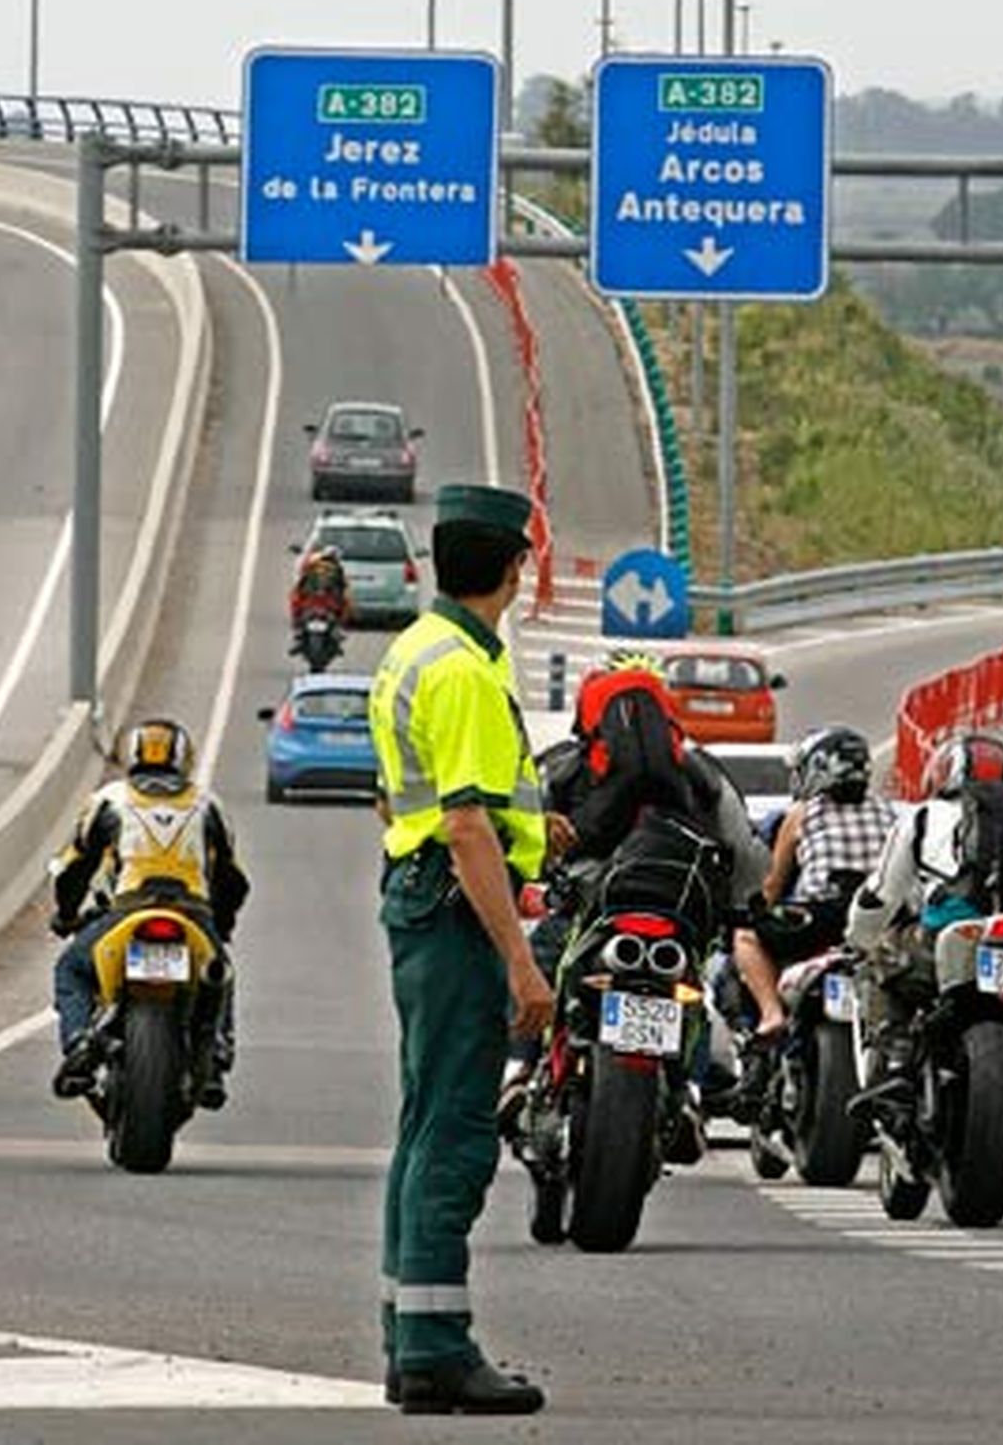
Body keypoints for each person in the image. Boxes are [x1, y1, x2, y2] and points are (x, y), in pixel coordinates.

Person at [370, 482, 567, 1418]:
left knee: (421, 1126)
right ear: (512, 569)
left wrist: (536, 828)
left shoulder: (415, 651)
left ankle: (408, 1334)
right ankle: (438, 1353)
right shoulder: (465, 672)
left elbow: (412, 801)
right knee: (454, 1133)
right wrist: (523, 962)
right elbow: (463, 825)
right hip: (454, 911)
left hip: (418, 898)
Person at [498, 649, 769, 1145]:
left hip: (586, 904)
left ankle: (518, 1070)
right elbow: (746, 851)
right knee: (690, 986)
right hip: (678, 908)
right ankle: (687, 1091)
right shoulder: (702, 772)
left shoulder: (563, 765)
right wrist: (743, 907)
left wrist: (526, 888)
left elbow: (522, 834)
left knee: (542, 962)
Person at [848, 731, 1003, 1138]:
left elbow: (881, 896)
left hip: (949, 938)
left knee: (879, 962)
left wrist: (860, 937)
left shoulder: (922, 818)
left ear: (945, 773)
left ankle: (894, 1061)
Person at [48, 716, 249, 1107]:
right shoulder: (208, 803)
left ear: (132, 756)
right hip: (193, 915)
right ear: (183, 759)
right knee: (221, 975)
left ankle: (78, 1042)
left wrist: (66, 914)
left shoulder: (109, 800)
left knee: (71, 969)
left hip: (126, 911)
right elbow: (232, 879)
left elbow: (75, 867)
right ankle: (218, 1052)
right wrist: (221, 926)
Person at [732, 725, 900, 1046]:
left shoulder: (801, 813)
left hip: (821, 918)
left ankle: (771, 1015)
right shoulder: (888, 811)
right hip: (880, 920)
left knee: (746, 936)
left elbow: (771, 886)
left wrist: (752, 910)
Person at [288, 544, 349, 660]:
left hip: (314, 604)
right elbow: (342, 588)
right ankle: (337, 632)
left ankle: (299, 633)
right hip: (325, 605)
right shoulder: (336, 569)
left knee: (297, 608)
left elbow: (300, 585)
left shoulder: (312, 566)